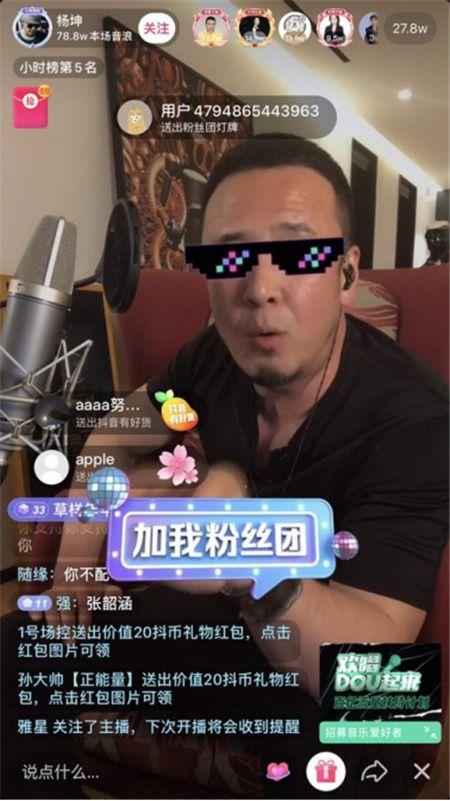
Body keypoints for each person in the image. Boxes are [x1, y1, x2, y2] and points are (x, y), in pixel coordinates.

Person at [20, 134, 449, 797]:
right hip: (211, 632)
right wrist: (74, 567)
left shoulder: (417, 420)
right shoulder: (210, 359)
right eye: (230, 257)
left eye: (298, 254)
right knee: (21, 651)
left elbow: (376, 663)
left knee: (389, 742)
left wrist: (243, 555)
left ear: (345, 274)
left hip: (321, 648)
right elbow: (114, 435)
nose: (260, 289)